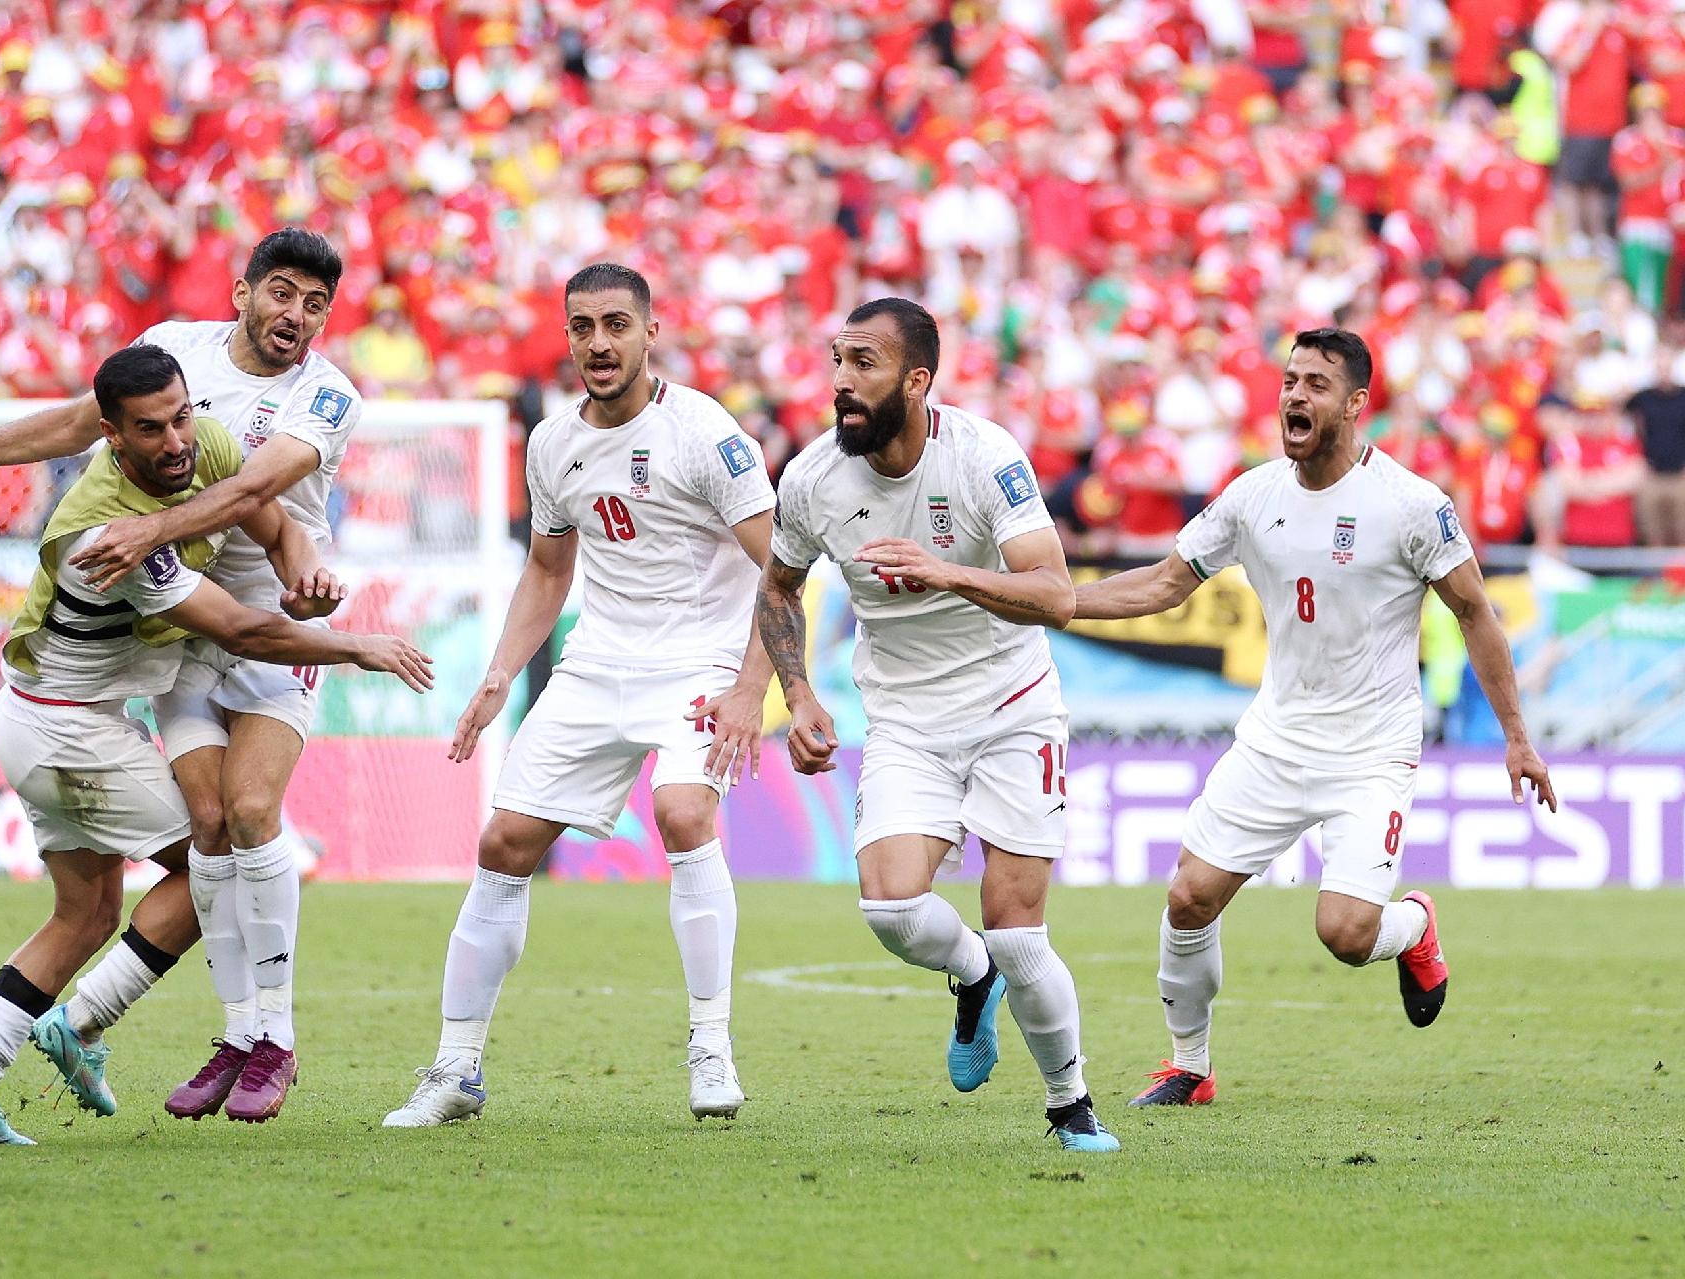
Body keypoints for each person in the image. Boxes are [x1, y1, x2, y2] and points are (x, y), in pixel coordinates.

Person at [0, 228, 361, 1122]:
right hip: (187, 639)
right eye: (281, 292)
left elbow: (260, 497)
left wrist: (304, 566)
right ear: (241, 293)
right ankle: (193, 1030)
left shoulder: (324, 395)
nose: (296, 315)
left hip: (259, 624)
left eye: (315, 302)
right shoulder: (160, 398)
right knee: (224, 845)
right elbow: (70, 418)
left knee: (114, 896)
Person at [0, 344, 432, 1144]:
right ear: (112, 439)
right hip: (67, 732)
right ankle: (98, 1022)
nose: (175, 441)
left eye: (182, 416)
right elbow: (242, 629)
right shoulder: (105, 533)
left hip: (47, 717)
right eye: (150, 429)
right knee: (215, 865)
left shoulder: (208, 442)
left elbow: (274, 523)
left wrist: (306, 570)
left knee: (84, 915)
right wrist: (357, 644)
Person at [1068, 328, 1557, 1107]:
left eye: (1317, 384)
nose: (1295, 395)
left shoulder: (1411, 505)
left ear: (1356, 404)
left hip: (1371, 749)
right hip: (1276, 737)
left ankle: (1415, 928)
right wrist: (1065, 603)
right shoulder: (1253, 496)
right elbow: (1164, 584)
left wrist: (1517, 737)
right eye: (1289, 380)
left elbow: (1476, 613)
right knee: (1189, 895)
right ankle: (1188, 1067)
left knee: (1346, 934)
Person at [381, 263, 776, 1128]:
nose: (599, 343)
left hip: (699, 660)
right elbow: (548, 569)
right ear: (568, 336)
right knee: (505, 840)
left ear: (650, 332)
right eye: (583, 327)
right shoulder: (553, 442)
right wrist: (496, 676)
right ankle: (454, 1070)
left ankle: (711, 1045)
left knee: (682, 813)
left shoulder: (704, 432)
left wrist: (753, 688)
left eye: (616, 325)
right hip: (598, 662)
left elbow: (780, 568)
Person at [755, 297, 1120, 1154]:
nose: (843, 381)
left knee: (1020, 931)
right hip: (907, 718)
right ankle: (972, 973)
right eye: (838, 360)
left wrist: (948, 573)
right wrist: (799, 691)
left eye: (865, 364)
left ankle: (1070, 1104)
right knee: (888, 908)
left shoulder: (987, 458)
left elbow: (1057, 594)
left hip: (1012, 708)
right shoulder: (811, 479)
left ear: (917, 381)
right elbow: (777, 586)